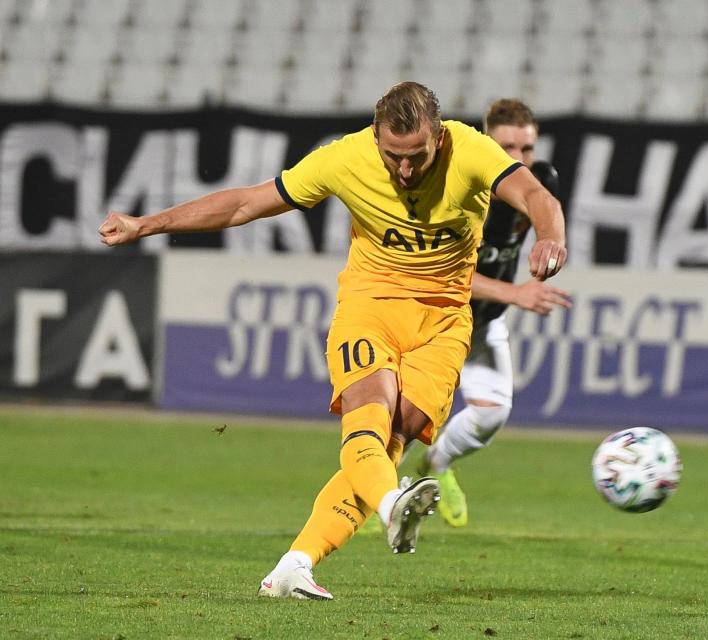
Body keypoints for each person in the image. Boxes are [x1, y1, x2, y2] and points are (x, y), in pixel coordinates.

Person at [97, 82, 566, 601]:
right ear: (375, 137)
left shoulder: (471, 149)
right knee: (369, 418)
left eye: (417, 156)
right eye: (394, 157)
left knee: (392, 440)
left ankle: (294, 566)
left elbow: (535, 195)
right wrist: (147, 224)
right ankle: (393, 507)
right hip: (371, 307)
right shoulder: (345, 158)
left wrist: (550, 236)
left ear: (438, 134)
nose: (405, 170)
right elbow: (244, 205)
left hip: (446, 322)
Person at [416, 99, 571, 528]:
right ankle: (372, 500)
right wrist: (516, 293)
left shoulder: (539, 181)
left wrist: (550, 240)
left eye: (527, 148)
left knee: (491, 413)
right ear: (485, 142)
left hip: (483, 322)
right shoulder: (460, 190)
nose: (518, 159)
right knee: (401, 419)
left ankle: (435, 466)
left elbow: (547, 211)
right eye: (507, 148)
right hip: (431, 320)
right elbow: (442, 275)